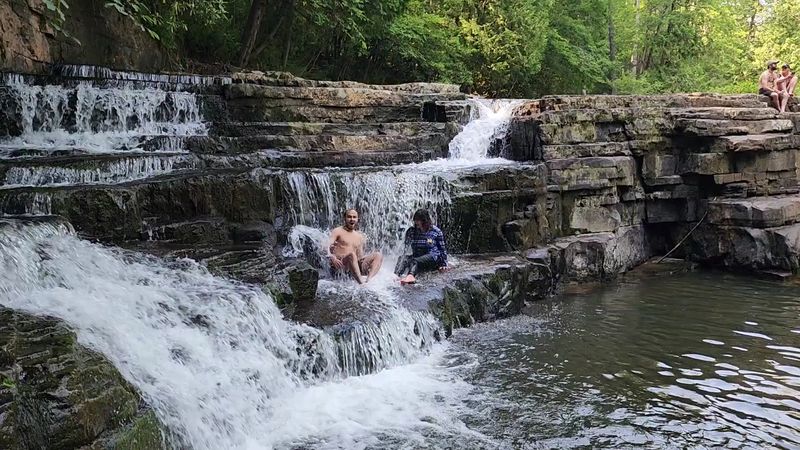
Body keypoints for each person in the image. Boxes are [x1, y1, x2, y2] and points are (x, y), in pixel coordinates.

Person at [327, 209, 383, 284]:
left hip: (354, 269)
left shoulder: (359, 236)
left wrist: (367, 261)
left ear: (357, 219)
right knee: (352, 255)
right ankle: (361, 283)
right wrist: (332, 257)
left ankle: (368, 280)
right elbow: (327, 245)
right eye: (349, 217)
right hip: (341, 266)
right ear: (345, 218)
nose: (352, 219)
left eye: (354, 217)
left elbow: (359, 257)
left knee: (378, 255)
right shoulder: (337, 231)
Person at [394, 209, 448, 284]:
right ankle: (396, 276)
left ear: (425, 220)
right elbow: (405, 248)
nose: (416, 222)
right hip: (418, 256)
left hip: (432, 256)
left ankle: (411, 277)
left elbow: (442, 249)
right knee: (402, 259)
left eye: (418, 220)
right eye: (415, 220)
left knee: (414, 261)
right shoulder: (412, 231)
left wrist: (443, 264)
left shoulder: (436, 231)